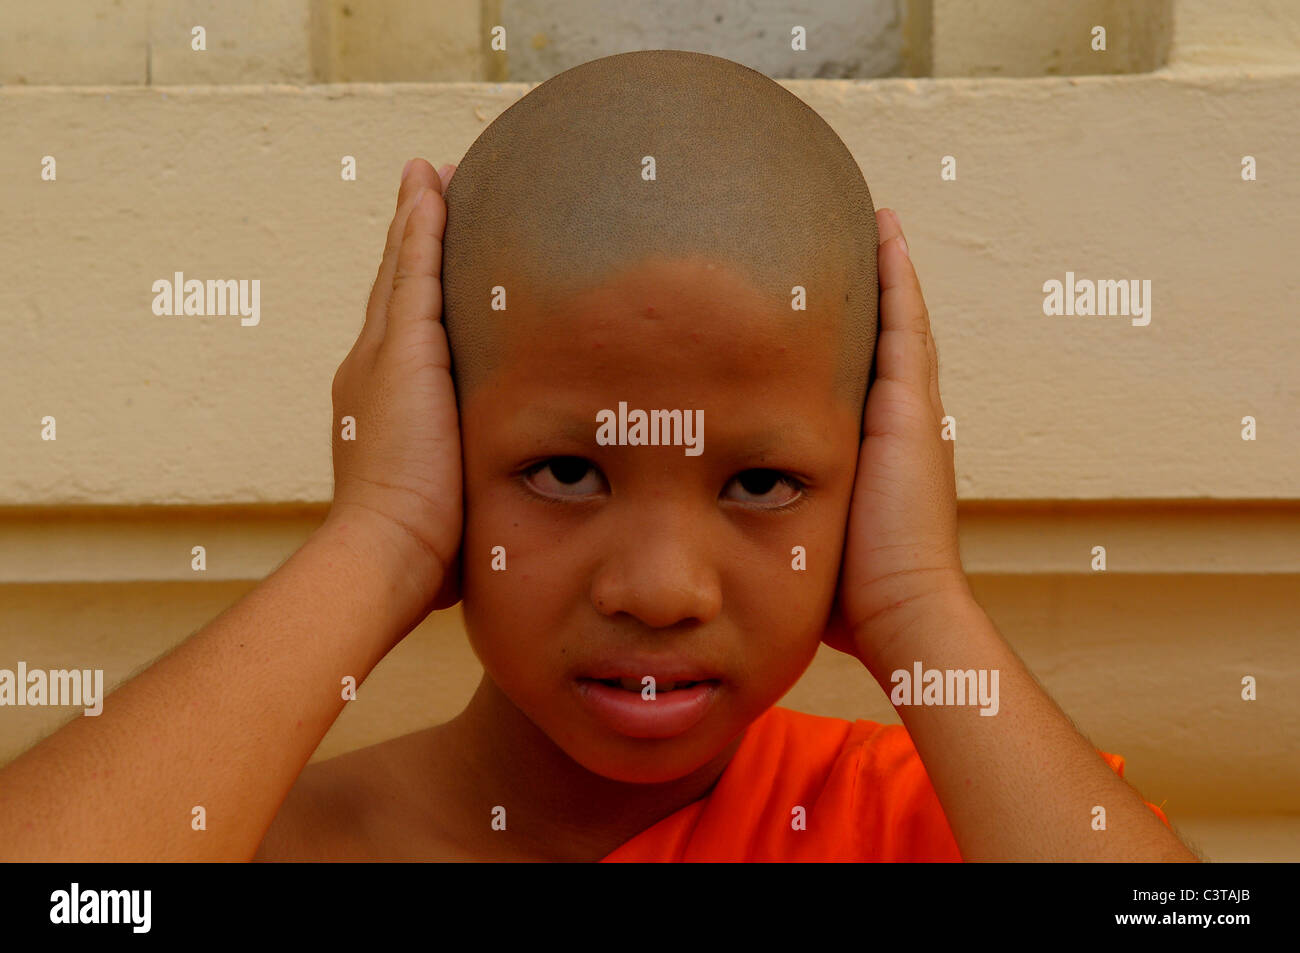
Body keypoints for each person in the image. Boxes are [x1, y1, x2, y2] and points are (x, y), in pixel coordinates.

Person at [0, 51, 1197, 862]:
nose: (662, 586)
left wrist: (919, 599)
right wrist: (374, 542)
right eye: (568, 472)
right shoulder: (270, 839)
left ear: (875, 477)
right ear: (440, 447)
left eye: (761, 482)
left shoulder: (925, 823)